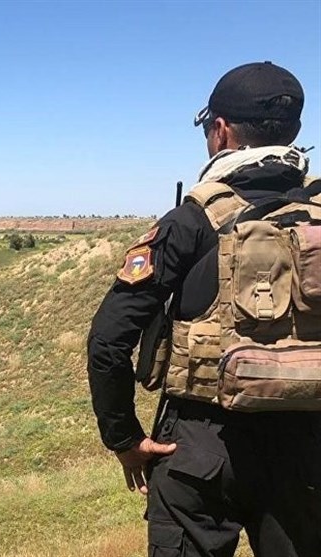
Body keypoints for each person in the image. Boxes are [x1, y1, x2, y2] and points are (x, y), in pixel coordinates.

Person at [87, 61, 320, 557]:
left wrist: (124, 438)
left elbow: (108, 340)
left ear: (221, 130)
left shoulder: (192, 220)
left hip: (199, 445)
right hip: (308, 448)